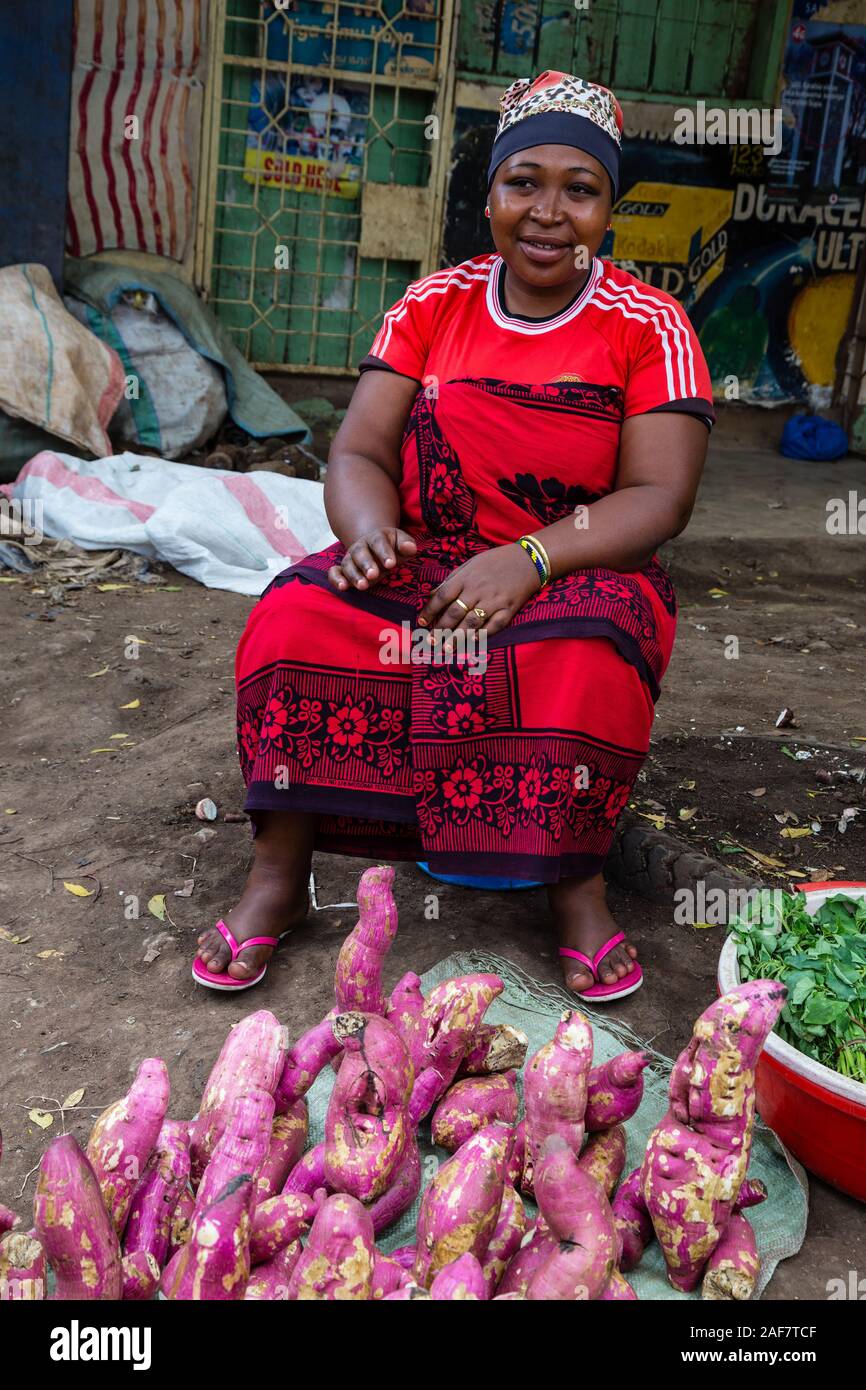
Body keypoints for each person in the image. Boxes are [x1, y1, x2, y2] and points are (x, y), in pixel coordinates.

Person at [194, 69, 713, 999]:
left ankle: (575, 888)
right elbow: (358, 448)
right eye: (524, 183)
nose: (549, 212)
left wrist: (532, 557)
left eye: (579, 189)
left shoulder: (650, 325)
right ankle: (279, 876)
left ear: (607, 209)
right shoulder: (433, 305)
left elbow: (659, 498)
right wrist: (365, 532)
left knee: (587, 648)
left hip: (579, 565)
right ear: (490, 198)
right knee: (295, 615)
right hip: (432, 562)